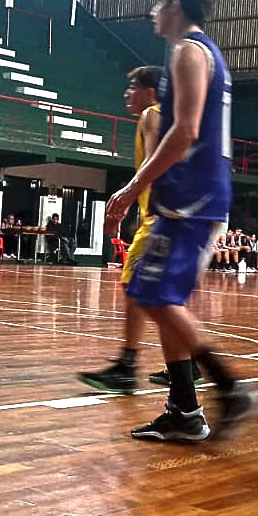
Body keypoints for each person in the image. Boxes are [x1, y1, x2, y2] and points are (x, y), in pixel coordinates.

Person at [81, 0, 258, 442]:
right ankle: (185, 409)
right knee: (159, 295)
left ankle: (229, 386)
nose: (152, 10)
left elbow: (185, 131)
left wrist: (131, 188)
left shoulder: (188, 51)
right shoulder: (205, 52)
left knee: (150, 293)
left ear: (177, 5)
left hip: (192, 198)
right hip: (191, 198)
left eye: (158, 0)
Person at [80, 66, 162, 392]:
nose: (127, 94)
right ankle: (186, 362)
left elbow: (155, 163)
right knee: (163, 295)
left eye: (132, 87)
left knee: (134, 286)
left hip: (160, 218)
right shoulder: (170, 117)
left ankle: (128, 365)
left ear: (151, 93)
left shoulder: (152, 116)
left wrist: (125, 196)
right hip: (167, 216)